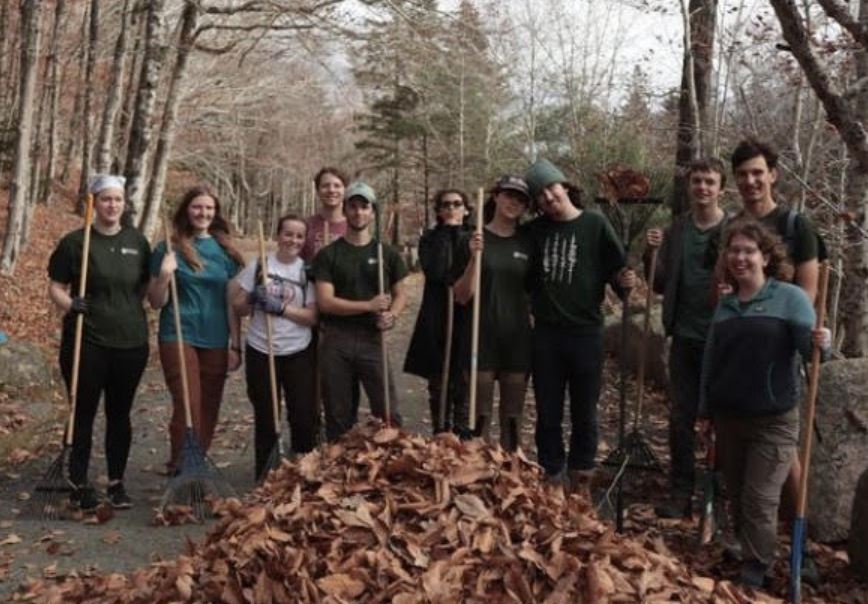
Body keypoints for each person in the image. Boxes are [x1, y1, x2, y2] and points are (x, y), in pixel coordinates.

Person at [697, 217, 829, 589]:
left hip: (774, 418)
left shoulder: (790, 298)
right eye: (734, 251)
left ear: (766, 257)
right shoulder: (725, 306)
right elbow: (711, 362)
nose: (740, 258)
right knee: (738, 497)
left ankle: (757, 570)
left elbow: (811, 353)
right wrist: (705, 412)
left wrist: (822, 341)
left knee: (759, 499)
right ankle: (754, 553)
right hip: (728, 417)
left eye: (748, 251)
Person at [523, 159, 636, 494]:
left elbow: (618, 271)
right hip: (545, 333)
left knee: (585, 410)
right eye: (539, 195)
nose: (546, 197)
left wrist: (624, 279)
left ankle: (581, 476)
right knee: (548, 410)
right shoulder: (534, 231)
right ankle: (551, 474)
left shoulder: (595, 224)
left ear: (565, 186)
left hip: (586, 333)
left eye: (550, 188)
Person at [48, 175, 151, 510]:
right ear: (93, 202)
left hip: (131, 341)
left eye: (117, 200)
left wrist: (164, 276)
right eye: (105, 199)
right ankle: (79, 482)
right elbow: (56, 286)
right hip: (86, 340)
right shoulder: (75, 243)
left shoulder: (138, 242)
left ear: (124, 203)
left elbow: (146, 291)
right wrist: (69, 303)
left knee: (119, 414)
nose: (112, 205)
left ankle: (116, 482)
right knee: (83, 411)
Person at [644, 158, 728, 518]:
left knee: (724, 418)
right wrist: (650, 253)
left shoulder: (736, 229)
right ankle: (681, 492)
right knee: (681, 416)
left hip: (725, 339)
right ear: (689, 187)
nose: (703, 188)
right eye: (697, 181)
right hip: (685, 335)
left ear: (721, 188)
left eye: (710, 182)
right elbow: (660, 283)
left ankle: (718, 496)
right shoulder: (677, 230)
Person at [148, 186, 245, 477]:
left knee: (209, 405)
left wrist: (235, 345)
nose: (203, 213)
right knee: (188, 402)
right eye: (197, 207)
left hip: (216, 336)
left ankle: (196, 463)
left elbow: (232, 302)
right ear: (186, 211)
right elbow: (155, 302)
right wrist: (164, 276)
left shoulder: (226, 252)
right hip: (179, 332)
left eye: (209, 209)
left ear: (215, 213)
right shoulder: (168, 247)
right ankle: (181, 464)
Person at [312, 182, 408, 440]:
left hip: (373, 339)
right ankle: (339, 471)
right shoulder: (329, 255)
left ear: (373, 212)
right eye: (352, 207)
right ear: (345, 211)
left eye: (364, 207)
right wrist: (368, 305)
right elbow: (325, 302)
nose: (358, 212)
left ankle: (391, 466)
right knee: (338, 413)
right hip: (336, 339)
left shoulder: (387, 254)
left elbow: (400, 295)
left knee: (387, 412)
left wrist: (392, 314)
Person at [230, 214, 318, 480]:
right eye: (287, 234)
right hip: (262, 350)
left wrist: (280, 308)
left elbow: (312, 317)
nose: (293, 240)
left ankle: (304, 472)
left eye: (299, 236)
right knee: (267, 418)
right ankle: (266, 476)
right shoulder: (260, 265)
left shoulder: (307, 272)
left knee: (303, 416)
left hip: (298, 352)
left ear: (304, 241)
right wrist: (253, 297)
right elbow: (238, 307)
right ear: (278, 235)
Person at [453, 176, 533, 451]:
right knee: (479, 418)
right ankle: (477, 477)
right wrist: (475, 258)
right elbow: (462, 296)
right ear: (496, 196)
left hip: (517, 340)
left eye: (521, 200)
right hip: (480, 338)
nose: (514, 203)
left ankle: (511, 474)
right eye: (509, 195)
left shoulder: (527, 242)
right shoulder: (471, 239)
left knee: (512, 418)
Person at [403, 189, 472, 436]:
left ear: (466, 208)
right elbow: (439, 271)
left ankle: (463, 435)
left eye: (457, 203)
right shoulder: (430, 239)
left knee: (463, 379)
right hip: (436, 315)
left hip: (466, 316)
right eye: (446, 205)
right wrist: (449, 232)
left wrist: (461, 235)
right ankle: (441, 431)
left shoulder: (475, 238)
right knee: (439, 380)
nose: (452, 208)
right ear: (439, 211)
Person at [300, 167, 349, 262]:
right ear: (317, 191)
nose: (331, 190)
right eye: (325, 186)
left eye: (337, 186)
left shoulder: (354, 227)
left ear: (345, 190)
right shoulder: (305, 226)